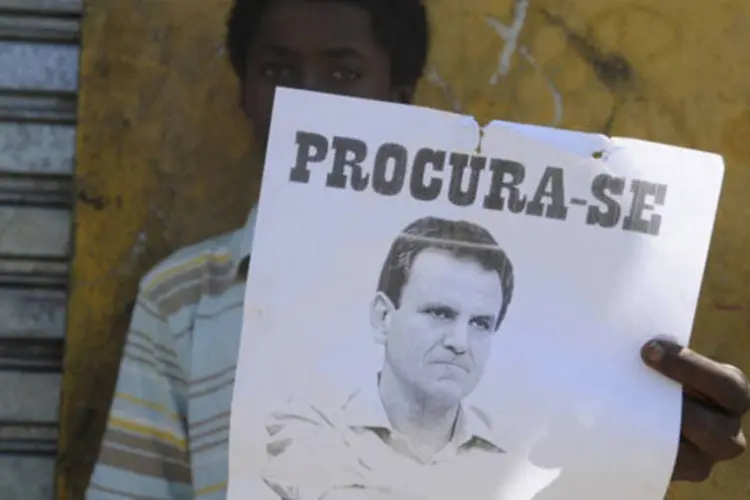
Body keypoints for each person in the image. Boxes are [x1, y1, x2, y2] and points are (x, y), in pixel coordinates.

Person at [85, 0, 750, 499]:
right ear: (244, 94)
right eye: (276, 70)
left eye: (344, 72)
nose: (306, 97)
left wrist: (642, 440)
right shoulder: (185, 302)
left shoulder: (519, 317)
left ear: (399, 100)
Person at [261, 216, 523, 499]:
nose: (460, 343)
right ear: (383, 317)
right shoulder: (312, 423)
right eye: (440, 313)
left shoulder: (514, 454)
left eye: (481, 324)